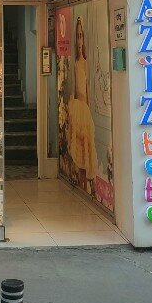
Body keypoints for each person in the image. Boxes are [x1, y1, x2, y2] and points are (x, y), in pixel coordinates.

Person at [66, 17, 97, 192]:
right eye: (77, 36)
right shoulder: (74, 63)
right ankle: (77, 178)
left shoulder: (86, 64)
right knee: (76, 145)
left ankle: (87, 182)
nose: (79, 40)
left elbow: (88, 91)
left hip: (84, 110)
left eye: (81, 36)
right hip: (76, 108)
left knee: (86, 145)